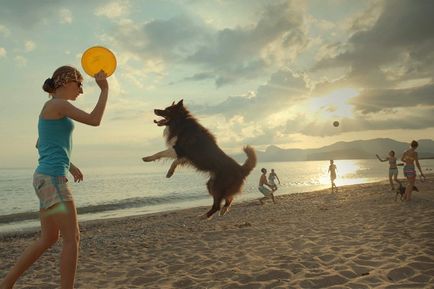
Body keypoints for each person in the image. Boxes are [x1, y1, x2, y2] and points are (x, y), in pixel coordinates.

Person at [0, 66, 108, 289]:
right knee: (73, 238)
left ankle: (6, 283)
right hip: (51, 180)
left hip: (43, 179)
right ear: (65, 82)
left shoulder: (50, 107)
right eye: (79, 84)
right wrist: (104, 89)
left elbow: (42, 143)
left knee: (49, 238)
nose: (81, 90)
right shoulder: (58, 104)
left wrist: (70, 164)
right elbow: (95, 120)